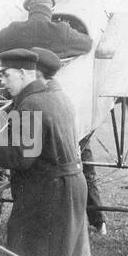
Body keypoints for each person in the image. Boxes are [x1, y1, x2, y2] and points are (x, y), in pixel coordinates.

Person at [0, 48, 91, 256]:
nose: (2, 82)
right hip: (68, 187)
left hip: (49, 194)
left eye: (5, 75)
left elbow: (19, 157)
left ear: (22, 73)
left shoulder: (32, 104)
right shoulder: (58, 96)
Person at [31, 45, 106, 236]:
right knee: (85, 168)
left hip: (47, 123)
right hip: (71, 123)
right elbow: (86, 42)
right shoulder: (66, 37)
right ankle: (97, 221)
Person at [0, 0, 93, 59]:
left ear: (29, 8)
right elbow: (88, 44)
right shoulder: (62, 30)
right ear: (51, 9)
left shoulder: (15, 29)